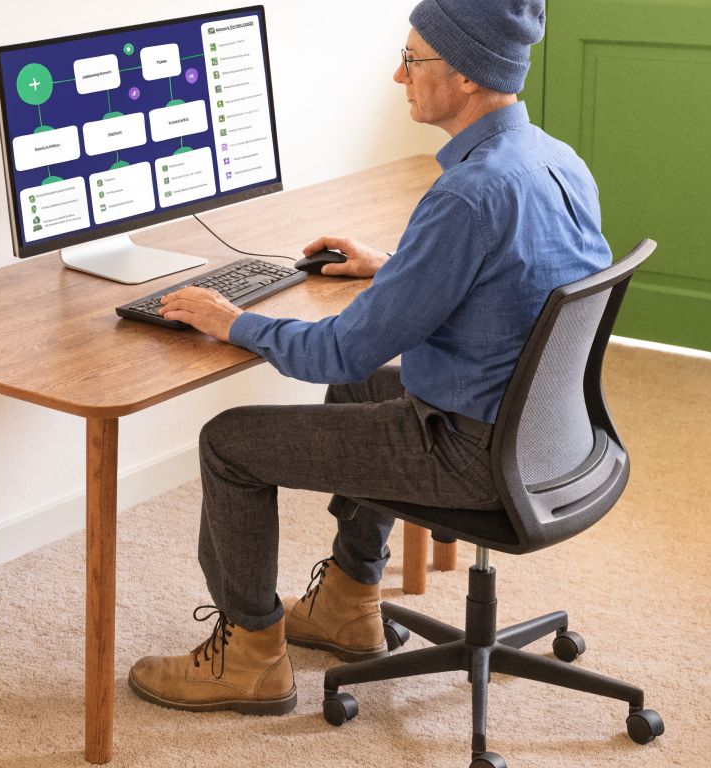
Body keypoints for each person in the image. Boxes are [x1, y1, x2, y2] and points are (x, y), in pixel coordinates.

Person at [128, 0, 611, 716]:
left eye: (414, 60)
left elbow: (336, 351)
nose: (398, 74)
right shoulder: (554, 160)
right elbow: (514, 284)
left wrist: (233, 321)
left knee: (229, 442)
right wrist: (397, 270)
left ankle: (250, 655)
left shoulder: (469, 195)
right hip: (549, 435)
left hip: (472, 453)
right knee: (363, 394)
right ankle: (352, 600)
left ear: (469, 78)